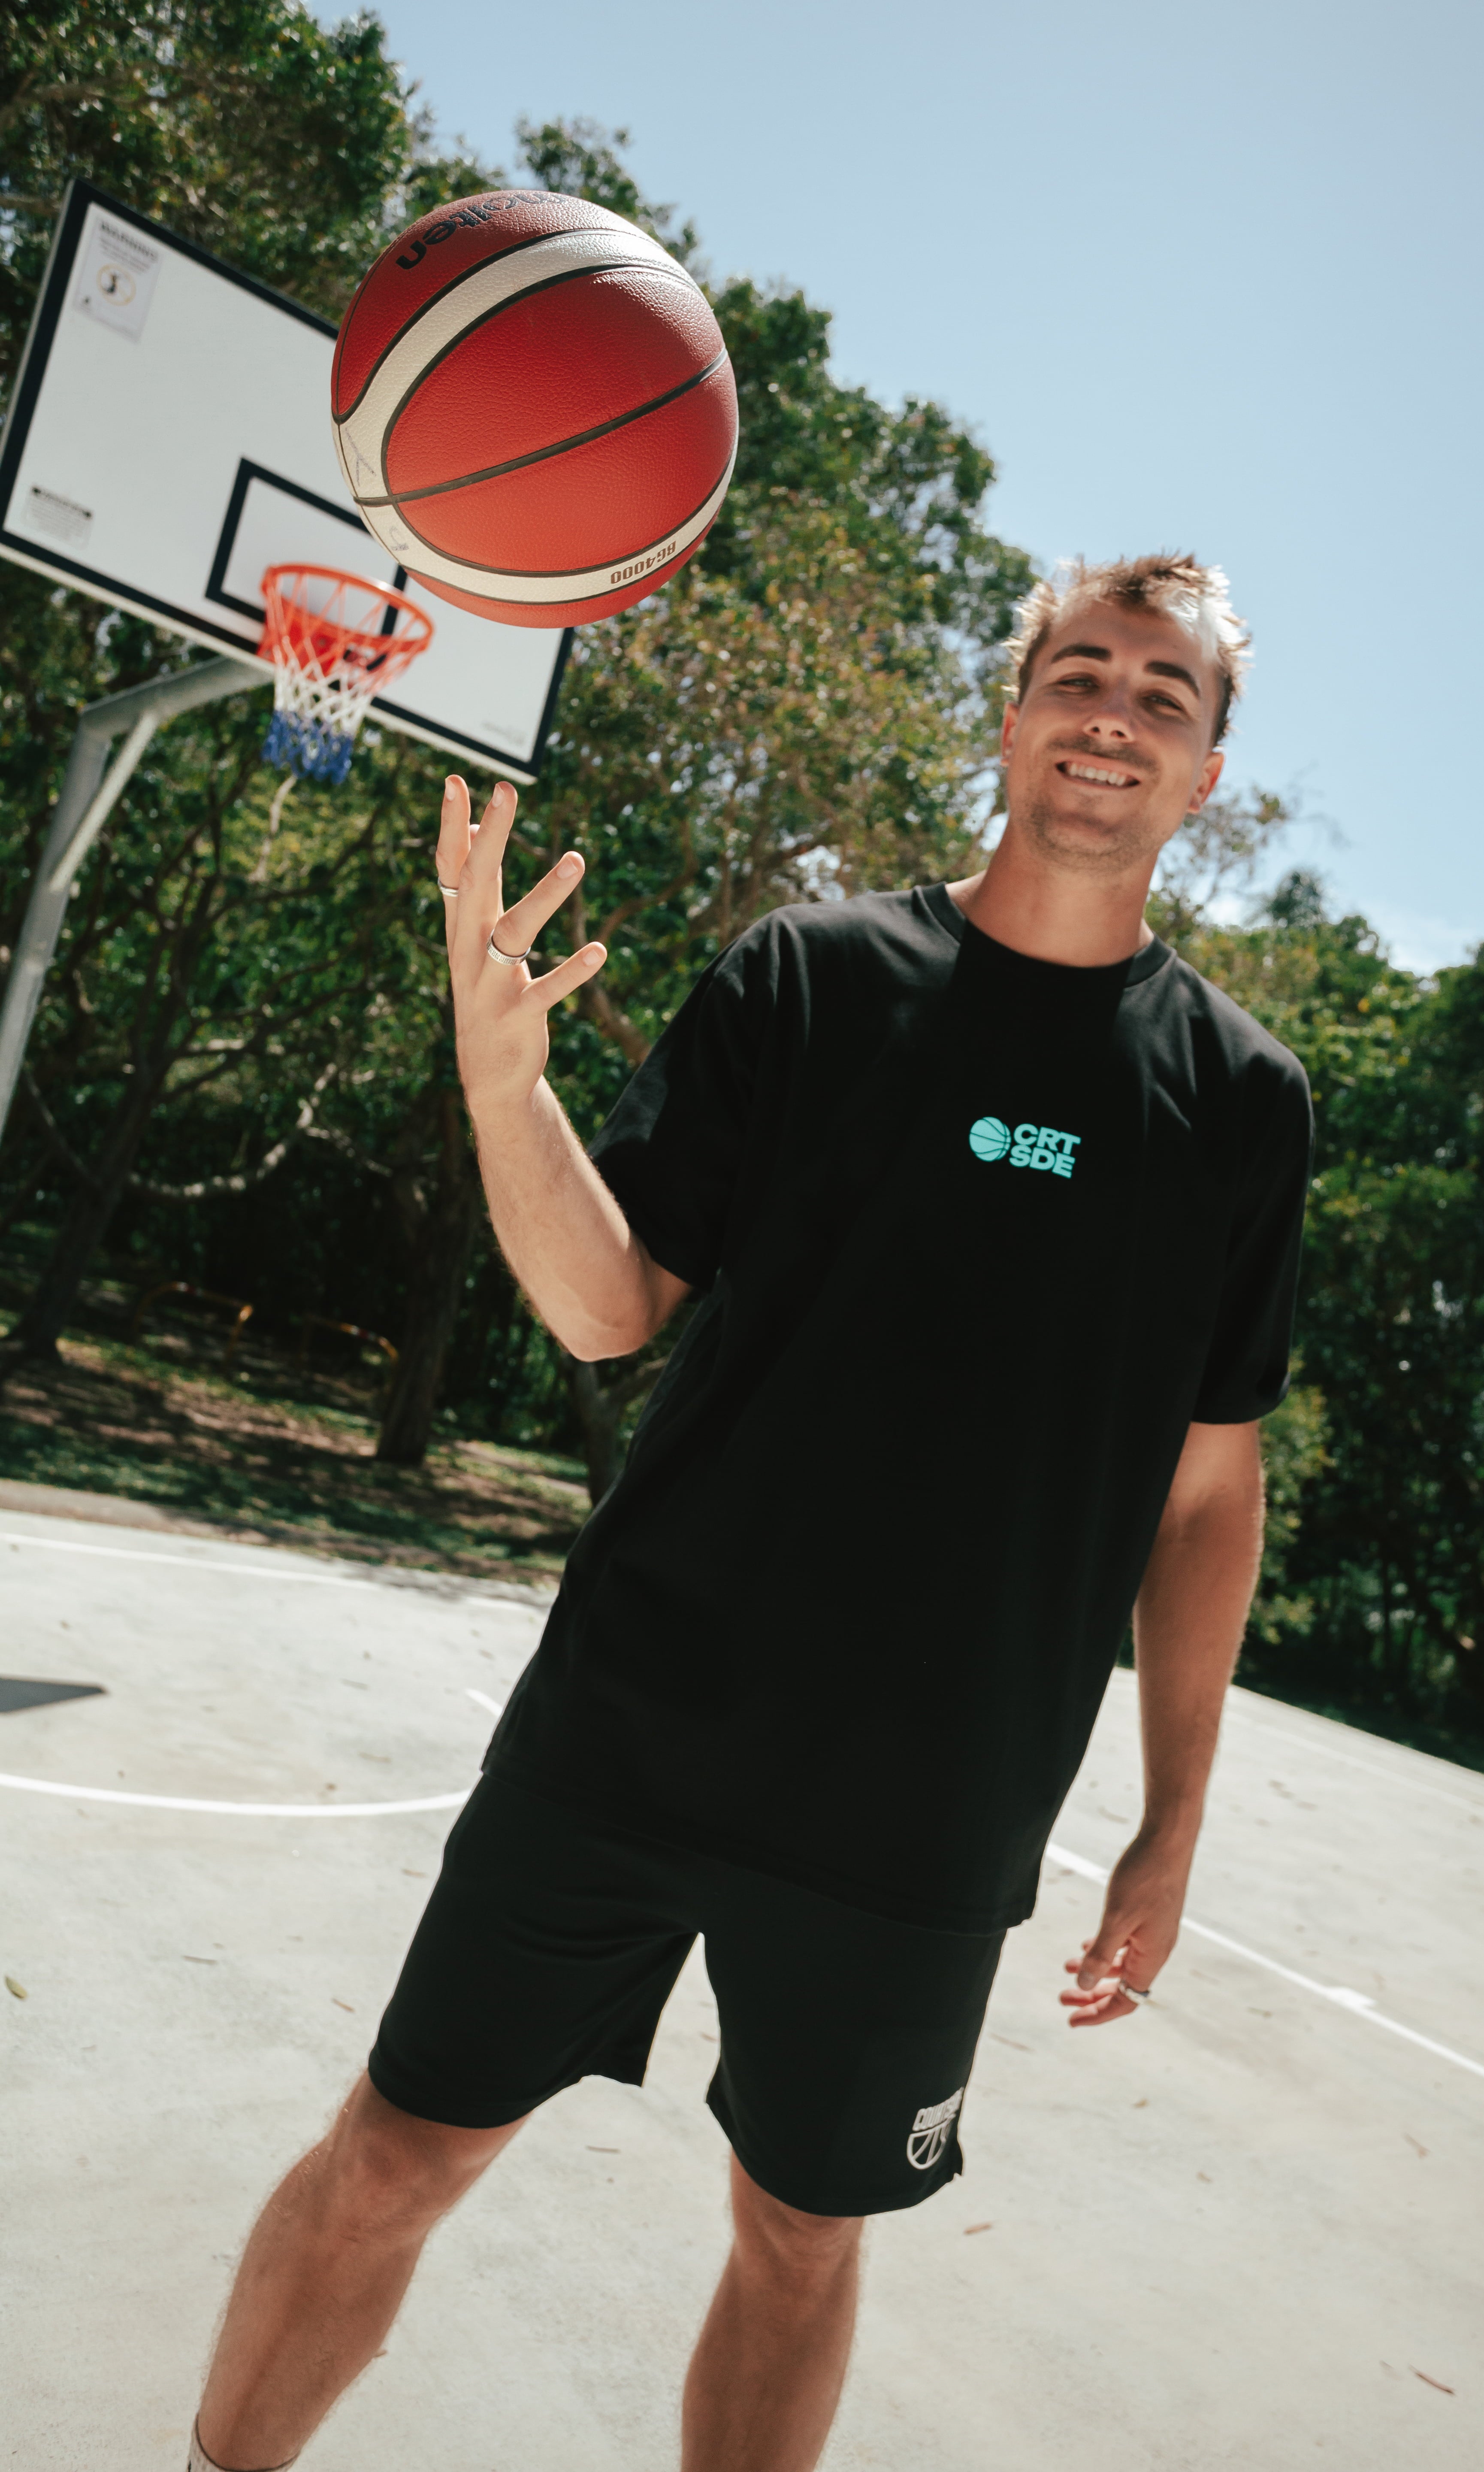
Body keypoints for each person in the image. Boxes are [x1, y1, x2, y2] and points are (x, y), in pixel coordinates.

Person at [189, 551, 1312, 2472]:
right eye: (1082, 670)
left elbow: (1210, 1490)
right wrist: (503, 1081)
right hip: (638, 1724)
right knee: (397, 2153)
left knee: (803, 2236)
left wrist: (1173, 1822)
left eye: (1165, 696)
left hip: (927, 1809)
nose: (1114, 713)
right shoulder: (812, 977)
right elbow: (610, 1303)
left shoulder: (1240, 1101)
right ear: (1017, 707)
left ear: (1207, 774)